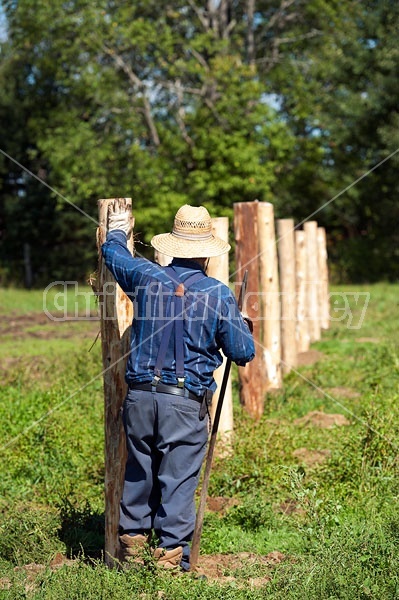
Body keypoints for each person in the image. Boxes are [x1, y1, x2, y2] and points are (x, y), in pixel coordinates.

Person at [102, 202, 255, 572]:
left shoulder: (144, 276)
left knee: (139, 470)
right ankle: (171, 558)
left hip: (139, 397)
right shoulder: (218, 296)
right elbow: (242, 352)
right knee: (179, 479)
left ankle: (131, 552)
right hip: (185, 405)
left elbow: (113, 253)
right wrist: (244, 325)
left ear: (173, 244)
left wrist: (118, 228)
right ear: (206, 252)